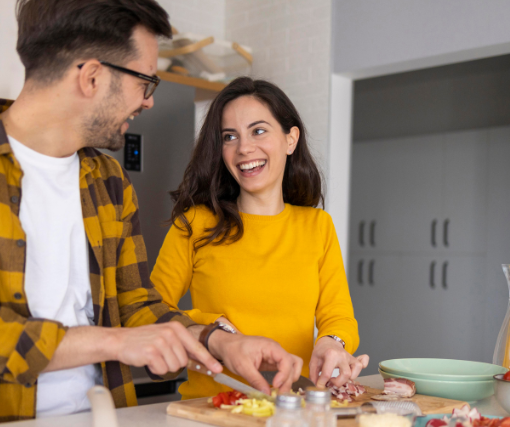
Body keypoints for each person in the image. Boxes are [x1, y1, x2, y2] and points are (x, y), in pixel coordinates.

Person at [0, 0, 301, 427]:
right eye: (146, 82)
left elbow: (135, 306)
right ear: (91, 77)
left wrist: (220, 341)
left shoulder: (106, 179)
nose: (147, 102)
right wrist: (119, 342)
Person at [150, 78, 370, 401]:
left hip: (290, 410)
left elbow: (338, 317)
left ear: (290, 139)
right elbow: (151, 312)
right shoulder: (195, 224)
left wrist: (331, 343)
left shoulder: (318, 226)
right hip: (211, 411)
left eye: (258, 131)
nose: (244, 148)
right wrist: (216, 330)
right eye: (230, 136)